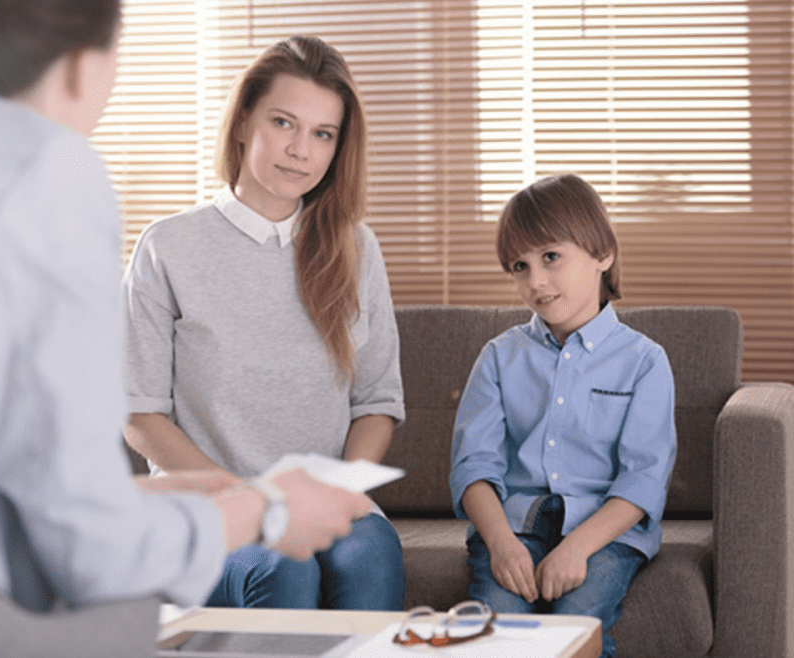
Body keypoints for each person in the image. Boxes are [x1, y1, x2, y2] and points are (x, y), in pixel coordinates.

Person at [0, 0, 371, 615]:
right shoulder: (45, 165)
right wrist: (264, 507)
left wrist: (139, 496)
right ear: (79, 64)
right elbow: (93, 557)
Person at [123, 35, 406, 610]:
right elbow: (140, 415)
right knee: (283, 571)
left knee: (370, 557)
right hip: (215, 511)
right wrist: (256, 501)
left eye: (322, 134)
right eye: (284, 123)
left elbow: (376, 404)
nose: (301, 150)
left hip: (333, 505)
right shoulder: (168, 247)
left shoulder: (356, 249)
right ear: (245, 119)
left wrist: (328, 494)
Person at [448, 173, 677, 657]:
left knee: (576, 626)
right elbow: (473, 467)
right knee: (494, 630)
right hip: (514, 527)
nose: (536, 281)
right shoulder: (497, 356)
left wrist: (577, 548)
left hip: (602, 531)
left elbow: (642, 479)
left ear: (602, 254)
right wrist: (501, 544)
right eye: (519, 265)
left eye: (551, 257)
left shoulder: (644, 360)